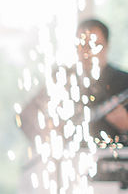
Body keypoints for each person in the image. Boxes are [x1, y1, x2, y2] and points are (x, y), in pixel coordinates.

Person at [24, 18, 128, 146]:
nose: (87, 53)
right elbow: (26, 117)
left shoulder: (124, 83)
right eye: (82, 45)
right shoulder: (62, 78)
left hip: (114, 156)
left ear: (107, 46)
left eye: (94, 45)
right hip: (70, 155)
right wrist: (45, 131)